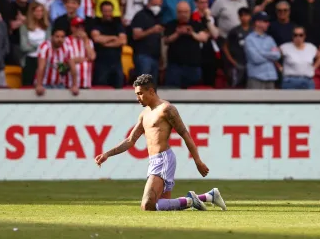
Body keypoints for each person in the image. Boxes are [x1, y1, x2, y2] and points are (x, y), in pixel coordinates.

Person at [95, 73, 227, 212]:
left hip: (164, 159)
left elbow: (185, 134)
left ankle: (191, 200)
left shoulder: (166, 109)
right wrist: (107, 154)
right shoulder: (144, 114)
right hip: (154, 161)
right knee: (160, 205)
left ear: (151, 91)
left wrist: (198, 161)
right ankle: (208, 196)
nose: (137, 98)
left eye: (140, 93)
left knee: (147, 205)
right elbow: (130, 140)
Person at [35, 27, 79, 95]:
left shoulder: (67, 47)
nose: (60, 39)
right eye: (57, 37)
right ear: (52, 37)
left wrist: (74, 85)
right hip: (44, 84)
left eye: (62, 37)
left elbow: (73, 67)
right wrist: (39, 85)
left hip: (59, 84)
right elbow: (41, 67)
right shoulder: (45, 46)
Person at [244, 11, 280, 89]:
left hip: (271, 76)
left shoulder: (270, 39)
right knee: (255, 101)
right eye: (265, 21)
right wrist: (270, 56)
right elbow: (256, 59)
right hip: (256, 77)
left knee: (271, 101)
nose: (268, 24)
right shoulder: (249, 39)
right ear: (257, 23)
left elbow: (277, 55)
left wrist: (261, 53)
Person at [20, 2, 51, 86]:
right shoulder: (24, 27)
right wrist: (40, 46)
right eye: (37, 11)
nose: (39, 13)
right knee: (28, 85)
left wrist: (32, 45)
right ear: (32, 12)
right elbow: (24, 46)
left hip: (43, 59)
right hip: (29, 59)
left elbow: (48, 44)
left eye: (41, 11)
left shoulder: (47, 27)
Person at [66, 17, 96, 89]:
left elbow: (92, 57)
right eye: (77, 27)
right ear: (72, 28)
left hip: (86, 82)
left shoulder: (88, 41)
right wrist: (85, 59)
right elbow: (68, 60)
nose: (80, 29)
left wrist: (85, 41)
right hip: (70, 82)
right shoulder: (66, 41)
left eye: (82, 27)